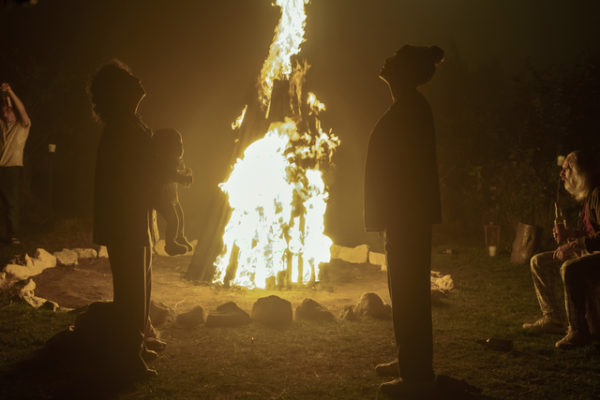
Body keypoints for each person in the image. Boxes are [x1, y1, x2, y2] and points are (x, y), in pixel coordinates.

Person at [364, 45, 444, 397]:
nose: (386, 61)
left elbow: (409, 171)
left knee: (411, 292)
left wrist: (395, 211)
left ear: (404, 72)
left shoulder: (413, 109)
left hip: (407, 217)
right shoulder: (407, 106)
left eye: (394, 60)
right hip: (400, 216)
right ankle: (407, 360)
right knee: (402, 291)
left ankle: (416, 377)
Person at [88, 60, 156, 379]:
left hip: (133, 217)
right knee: (131, 289)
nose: (138, 80)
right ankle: (128, 357)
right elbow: (124, 178)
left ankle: (137, 345)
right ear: (119, 92)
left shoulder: (131, 123)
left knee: (141, 284)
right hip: (124, 220)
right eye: (130, 79)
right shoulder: (122, 129)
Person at [524, 150, 600, 349]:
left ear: (581, 172)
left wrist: (573, 245)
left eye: (567, 168)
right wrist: (570, 234)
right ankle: (553, 318)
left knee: (571, 268)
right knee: (539, 262)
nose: (562, 173)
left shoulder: (598, 194)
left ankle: (578, 330)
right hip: (591, 251)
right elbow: (588, 232)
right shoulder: (587, 196)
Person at [151, 128, 193, 256]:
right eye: (177, 144)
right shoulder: (164, 161)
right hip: (161, 197)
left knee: (180, 215)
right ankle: (170, 244)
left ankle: (180, 237)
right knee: (173, 219)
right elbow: (171, 175)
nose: (181, 148)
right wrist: (183, 178)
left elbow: (178, 173)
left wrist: (184, 174)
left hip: (172, 197)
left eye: (181, 144)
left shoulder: (176, 161)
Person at [0, 82, 30, 245]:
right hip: (0, 168)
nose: (5, 114)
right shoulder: (3, 126)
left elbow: (21, 109)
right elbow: (7, 106)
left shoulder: (22, 126)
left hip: (12, 169)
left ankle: (13, 235)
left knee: (11, 203)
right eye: (3, 112)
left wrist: (10, 91)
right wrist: (4, 95)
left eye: (8, 112)